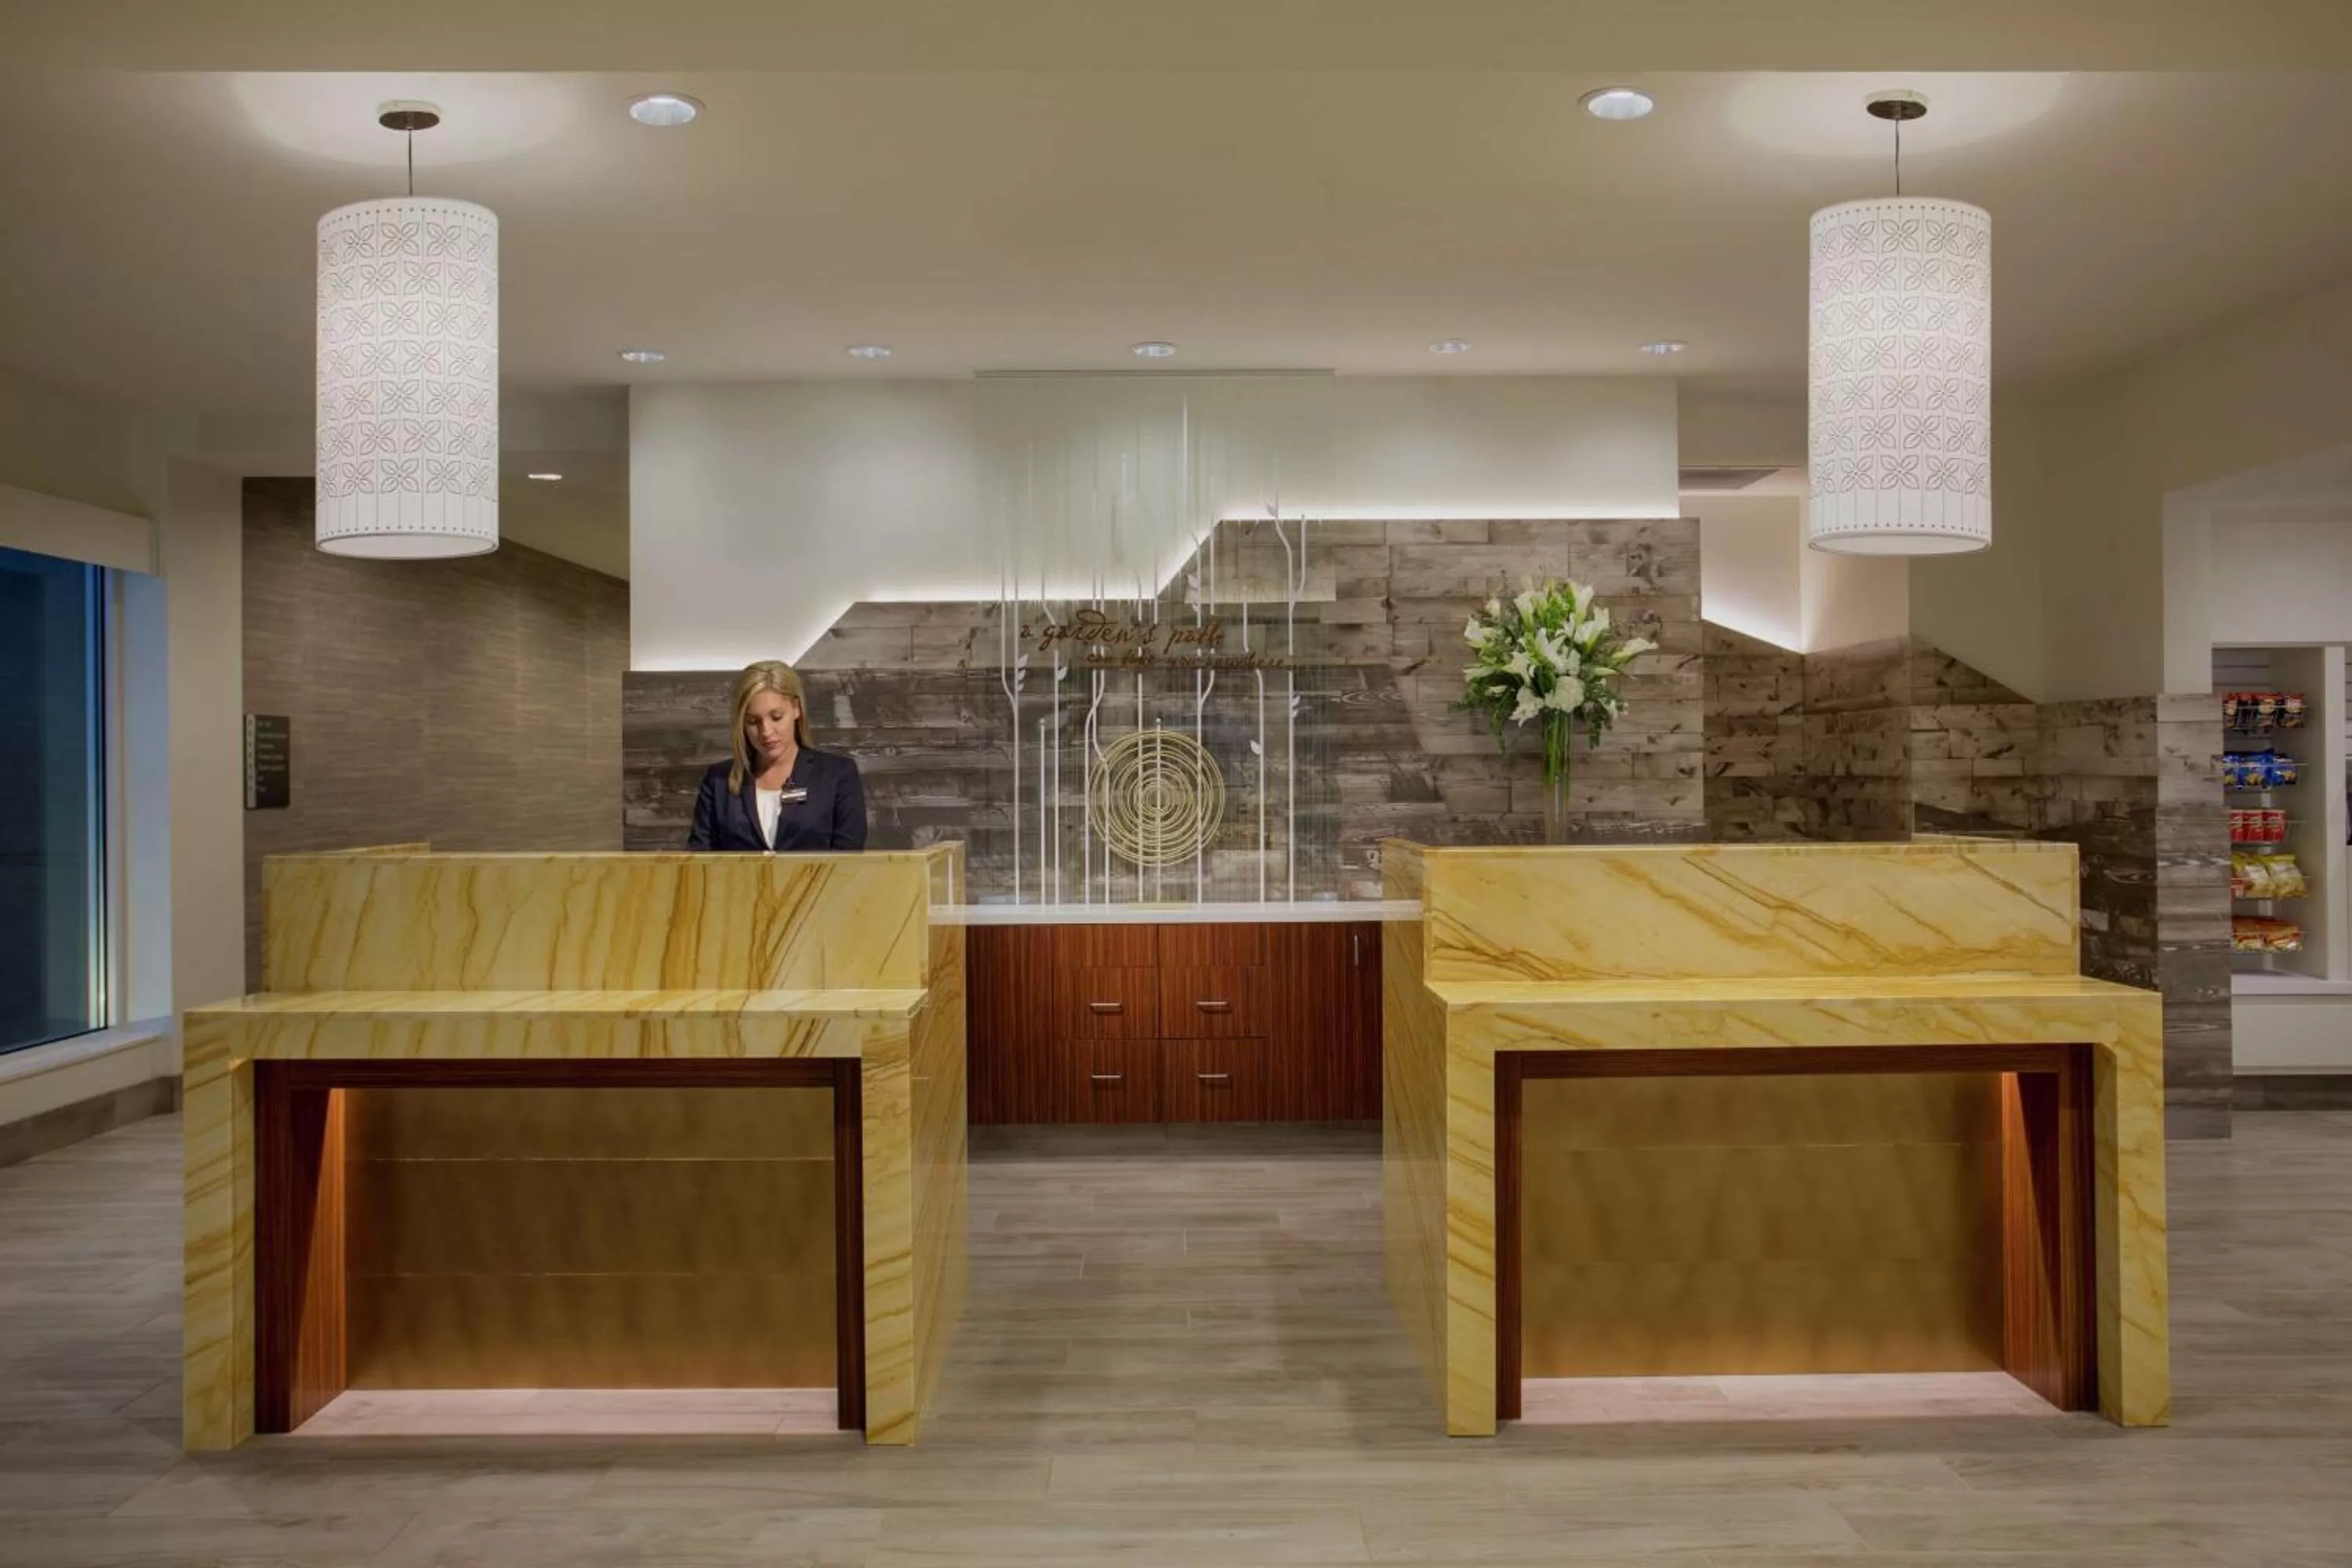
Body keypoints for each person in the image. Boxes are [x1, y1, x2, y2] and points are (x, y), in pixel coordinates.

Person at [687, 660, 868, 852]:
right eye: (753, 721)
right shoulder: (718, 781)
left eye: (776, 717)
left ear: (796, 708)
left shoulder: (837, 775)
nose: (766, 732)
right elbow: (700, 862)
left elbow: (848, 860)